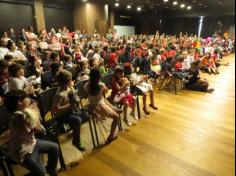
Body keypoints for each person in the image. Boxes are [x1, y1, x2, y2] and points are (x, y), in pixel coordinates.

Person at [4, 90, 59, 176]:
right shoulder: (19, 117)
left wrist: (33, 110)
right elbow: (37, 128)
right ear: (19, 102)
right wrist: (35, 110)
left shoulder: (24, 112)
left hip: (32, 143)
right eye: (27, 98)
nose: (29, 99)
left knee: (54, 148)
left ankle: (51, 170)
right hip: (23, 151)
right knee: (40, 172)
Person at [52, 70, 89, 151]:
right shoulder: (60, 94)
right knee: (77, 120)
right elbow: (55, 109)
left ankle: (72, 127)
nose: (72, 81)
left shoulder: (69, 88)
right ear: (67, 82)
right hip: (62, 115)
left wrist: (77, 99)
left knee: (86, 114)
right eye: (71, 80)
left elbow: (74, 97)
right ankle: (76, 141)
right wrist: (69, 105)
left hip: (71, 111)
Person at [85, 68, 121, 143]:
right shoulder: (101, 85)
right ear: (99, 76)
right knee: (116, 117)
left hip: (91, 104)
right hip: (98, 106)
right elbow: (106, 90)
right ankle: (111, 136)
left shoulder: (87, 85)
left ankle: (113, 108)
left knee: (103, 98)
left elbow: (88, 94)